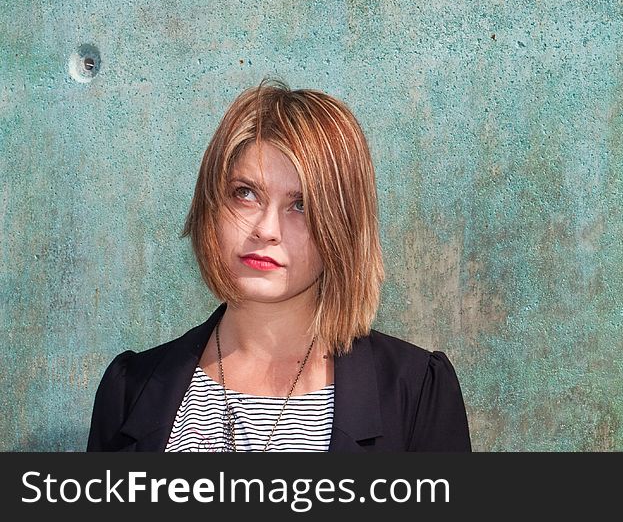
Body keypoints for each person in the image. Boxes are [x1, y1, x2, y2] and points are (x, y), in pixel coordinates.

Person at [87, 80, 471, 452]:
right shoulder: (130, 390)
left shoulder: (418, 391)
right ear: (212, 204)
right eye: (246, 194)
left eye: (300, 205)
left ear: (344, 225)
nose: (266, 231)